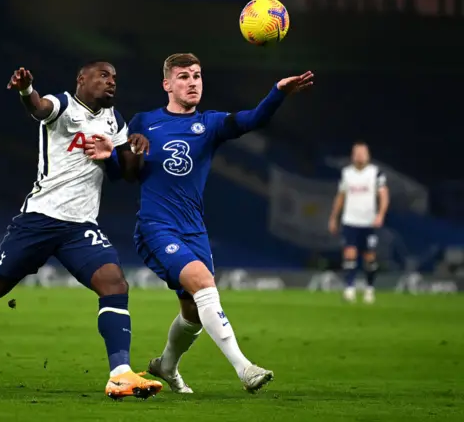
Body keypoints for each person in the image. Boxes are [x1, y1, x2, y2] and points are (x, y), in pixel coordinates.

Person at [0, 61, 162, 400]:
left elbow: (127, 174)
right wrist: (25, 90)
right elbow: (38, 107)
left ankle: (120, 374)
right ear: (82, 79)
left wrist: (134, 148)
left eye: (115, 78)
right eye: (104, 76)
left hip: (81, 226)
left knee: (115, 284)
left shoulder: (114, 120)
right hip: (40, 220)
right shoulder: (62, 104)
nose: (111, 82)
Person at [93, 53, 313, 393]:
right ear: (167, 84)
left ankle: (166, 365)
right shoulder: (143, 122)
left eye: (197, 75)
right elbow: (123, 175)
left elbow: (252, 120)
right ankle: (245, 369)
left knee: (193, 312)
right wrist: (119, 154)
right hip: (155, 226)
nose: (192, 82)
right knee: (203, 282)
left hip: (194, 229)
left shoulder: (210, 124)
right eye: (183, 76)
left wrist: (277, 93)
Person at [328, 141, 389, 304]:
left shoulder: (376, 173)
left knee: (369, 258)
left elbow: (383, 195)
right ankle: (349, 289)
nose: (360, 156)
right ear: (352, 155)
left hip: (368, 222)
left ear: (368, 155)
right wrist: (334, 217)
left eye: (363, 153)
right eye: (357, 153)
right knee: (349, 255)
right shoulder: (346, 173)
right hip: (350, 221)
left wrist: (381, 215)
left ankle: (369, 289)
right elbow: (340, 196)